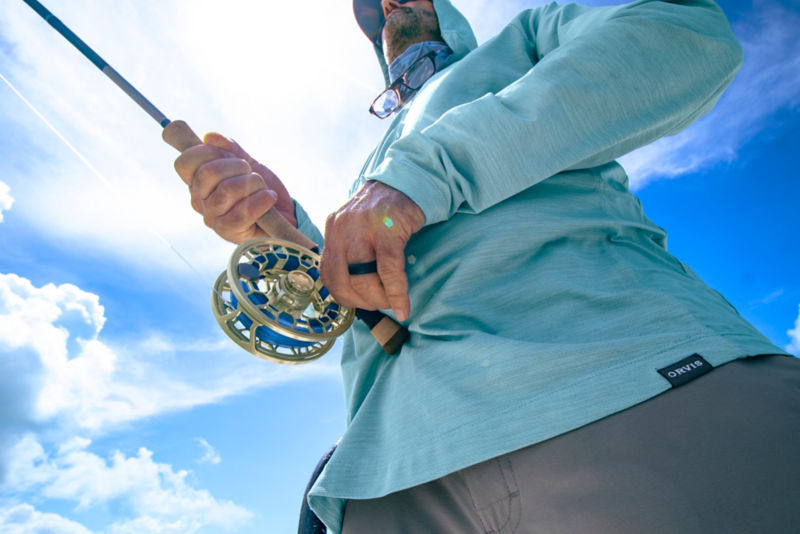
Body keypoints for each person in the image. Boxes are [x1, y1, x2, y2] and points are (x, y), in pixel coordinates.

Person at [172, 0, 800, 532]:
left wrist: (417, 179)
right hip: (394, 482)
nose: (389, 4)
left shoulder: (527, 37)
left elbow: (681, 37)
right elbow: (369, 290)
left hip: (631, 389)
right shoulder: (369, 173)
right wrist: (285, 226)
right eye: (376, 8)